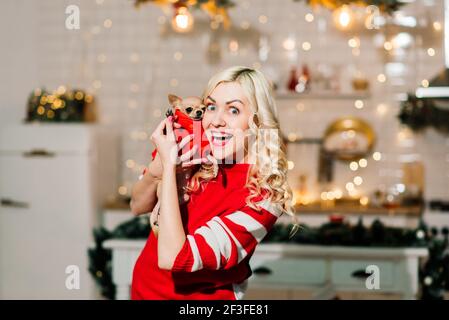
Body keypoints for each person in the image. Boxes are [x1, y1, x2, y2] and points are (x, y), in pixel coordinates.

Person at [130, 66, 298, 300]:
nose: (216, 121)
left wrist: (169, 169)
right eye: (211, 107)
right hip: (143, 292)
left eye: (233, 110)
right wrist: (158, 170)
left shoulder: (263, 198)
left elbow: (175, 258)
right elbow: (137, 205)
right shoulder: (196, 152)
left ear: (257, 122)